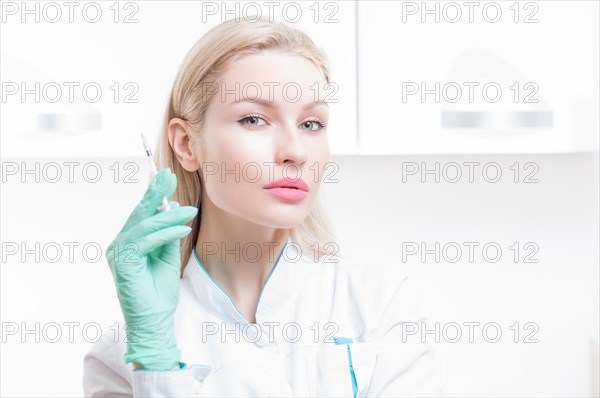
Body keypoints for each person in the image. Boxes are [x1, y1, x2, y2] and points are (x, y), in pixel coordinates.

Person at [83, 16, 446, 397]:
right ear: (187, 144)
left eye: (311, 123)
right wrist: (156, 361)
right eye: (254, 119)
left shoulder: (382, 306)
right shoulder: (124, 358)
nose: (295, 151)